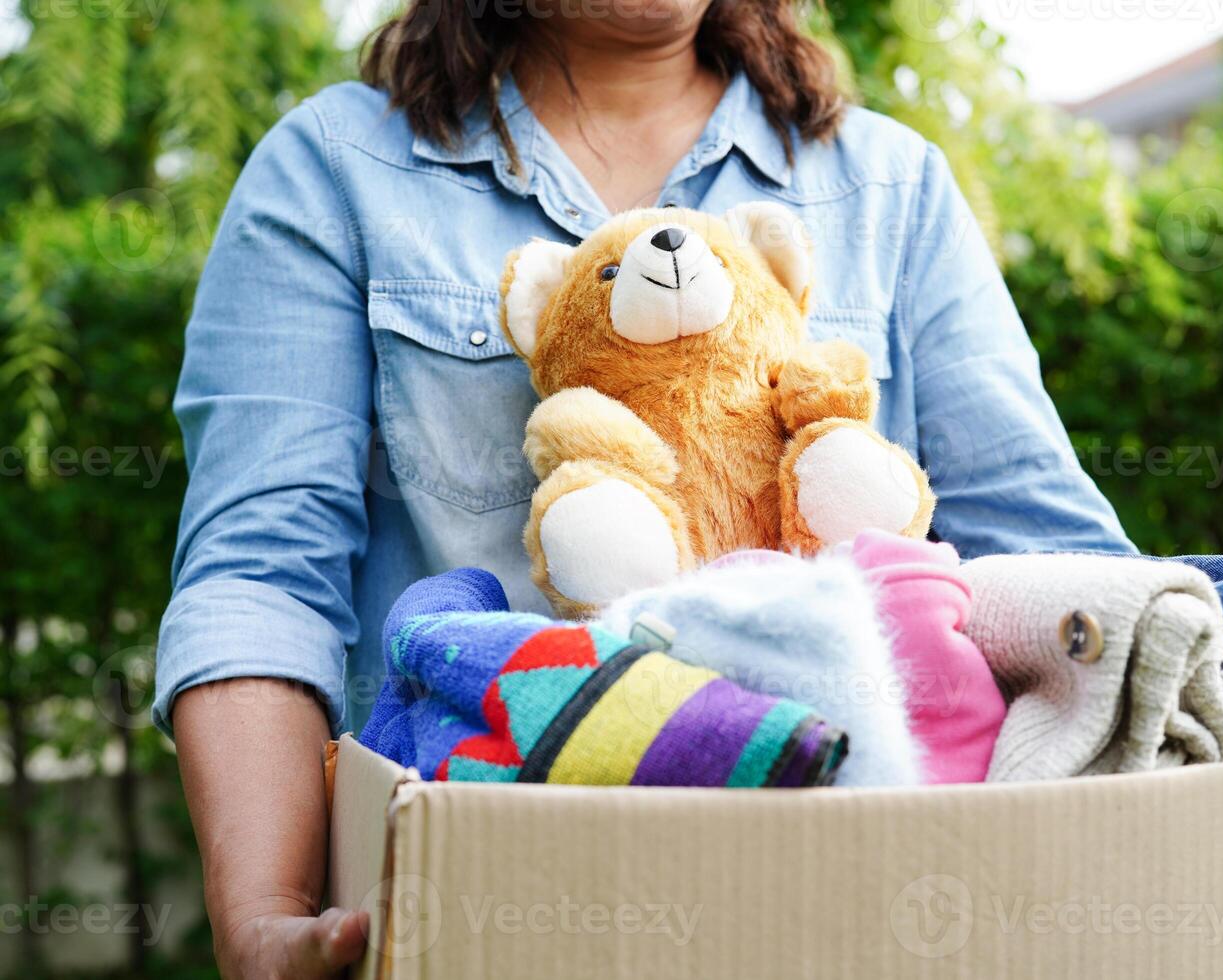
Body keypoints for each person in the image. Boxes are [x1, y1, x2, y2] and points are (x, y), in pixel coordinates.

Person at [157, 1, 1133, 976]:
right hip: (500, 900)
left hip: (863, 896)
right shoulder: (336, 169)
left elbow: (1052, 554)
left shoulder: (887, 185)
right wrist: (265, 915)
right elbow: (263, 574)